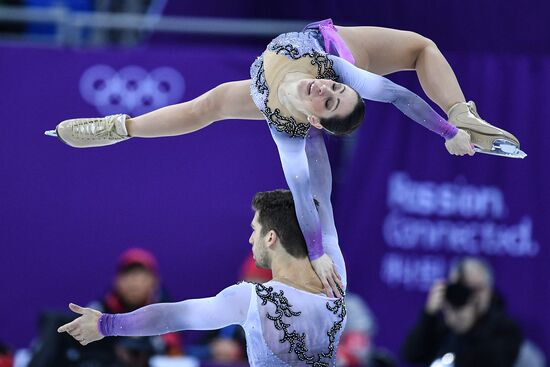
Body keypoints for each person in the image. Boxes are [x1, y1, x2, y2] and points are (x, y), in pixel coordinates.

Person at [46, 19, 525, 297]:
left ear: (317, 120)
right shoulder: (331, 67)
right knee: (420, 45)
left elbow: (303, 199)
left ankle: (334, 269)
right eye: (338, 89)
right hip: (335, 42)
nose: (326, 89)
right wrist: (447, 129)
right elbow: (398, 96)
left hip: (271, 100)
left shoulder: (287, 131)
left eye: (329, 99)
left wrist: (316, 254)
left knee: (317, 193)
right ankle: (118, 128)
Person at [57, 189, 348, 366]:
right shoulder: (335, 285)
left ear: (271, 237)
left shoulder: (252, 298)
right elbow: (321, 194)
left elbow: (174, 316)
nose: (250, 238)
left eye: (255, 229)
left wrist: (105, 324)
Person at [28, 247, 182, 367]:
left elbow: (171, 345)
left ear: (154, 281)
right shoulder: (101, 306)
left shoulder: (166, 310)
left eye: (140, 275)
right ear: (117, 281)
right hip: (104, 358)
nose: (133, 281)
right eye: (127, 275)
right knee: (54, 320)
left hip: (143, 360)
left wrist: (134, 342)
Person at [400, 257, 523, 367]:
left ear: (489, 290)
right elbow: (411, 355)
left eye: (475, 289)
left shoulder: (506, 328)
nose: (469, 296)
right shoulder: (443, 324)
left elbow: (492, 362)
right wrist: (429, 314)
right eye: (462, 288)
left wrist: (465, 329)